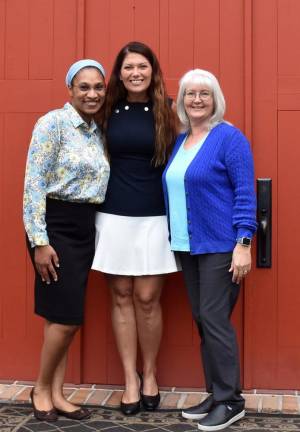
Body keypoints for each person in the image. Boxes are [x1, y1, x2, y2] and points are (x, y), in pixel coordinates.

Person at [162, 69, 257, 431]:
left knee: (214, 320)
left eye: (204, 93)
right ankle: (217, 393)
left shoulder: (229, 138)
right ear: (182, 100)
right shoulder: (181, 140)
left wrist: (243, 244)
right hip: (188, 246)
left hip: (221, 246)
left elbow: (245, 193)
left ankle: (232, 401)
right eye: (190, 94)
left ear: (215, 98)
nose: (197, 100)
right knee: (204, 320)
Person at [92, 41, 178, 415]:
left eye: (142, 66)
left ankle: (150, 375)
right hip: (112, 215)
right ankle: (130, 379)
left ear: (152, 70)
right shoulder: (107, 110)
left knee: (147, 298)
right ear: (119, 72)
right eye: (128, 67)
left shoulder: (169, 110)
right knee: (121, 295)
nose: (135, 73)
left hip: (155, 217)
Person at [23, 59, 110, 422]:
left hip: (85, 226)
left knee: (61, 316)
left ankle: (57, 393)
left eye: (98, 87)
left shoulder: (97, 130)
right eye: (84, 87)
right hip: (54, 227)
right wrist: (39, 241)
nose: (92, 94)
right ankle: (41, 389)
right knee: (66, 319)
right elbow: (33, 185)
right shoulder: (52, 124)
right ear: (70, 90)